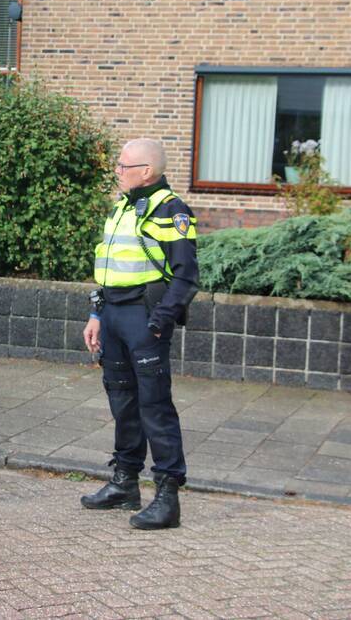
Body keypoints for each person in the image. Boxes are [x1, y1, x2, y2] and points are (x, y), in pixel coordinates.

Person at [80, 138, 199, 530]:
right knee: (122, 402)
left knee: (155, 406)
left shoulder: (172, 210)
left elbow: (186, 276)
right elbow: (108, 265)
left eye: (123, 166)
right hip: (113, 316)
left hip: (143, 318)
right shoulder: (122, 206)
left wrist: (160, 319)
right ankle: (124, 483)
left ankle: (167, 498)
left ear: (146, 171)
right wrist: (96, 313)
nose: (117, 172)